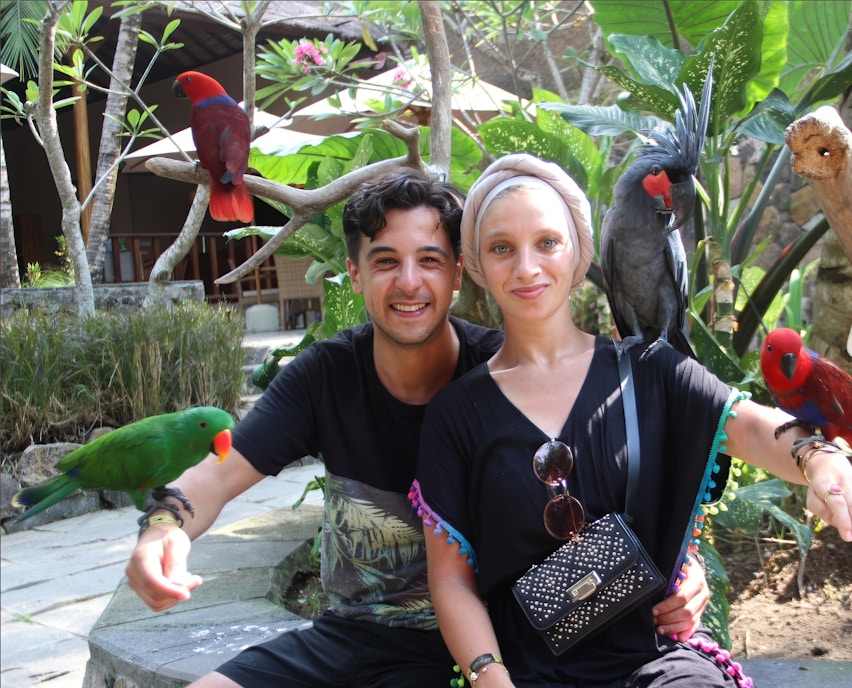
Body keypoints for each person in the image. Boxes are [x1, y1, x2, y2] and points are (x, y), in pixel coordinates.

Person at [124, 166, 710, 688]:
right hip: (351, 638)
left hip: (484, 651)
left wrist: (684, 569)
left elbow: (611, 492)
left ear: (458, 274)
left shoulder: (504, 379)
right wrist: (163, 530)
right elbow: (218, 477)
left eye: (429, 260)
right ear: (353, 275)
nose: (409, 282)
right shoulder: (326, 376)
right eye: (385, 262)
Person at [412, 154, 852, 688]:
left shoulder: (649, 370)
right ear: (475, 260)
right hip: (523, 669)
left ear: (577, 254)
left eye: (547, 242)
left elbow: (750, 425)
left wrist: (819, 459)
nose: (526, 268)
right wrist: (489, 676)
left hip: (655, 657)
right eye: (502, 248)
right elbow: (451, 581)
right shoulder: (456, 415)